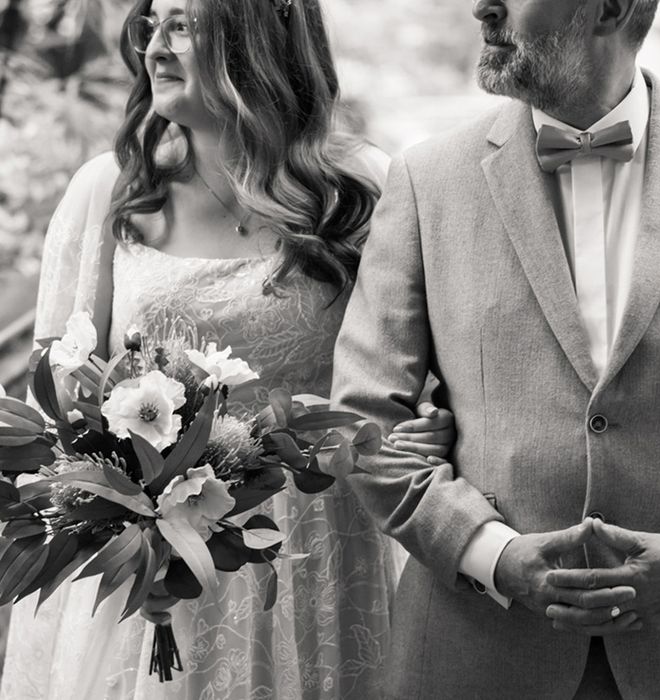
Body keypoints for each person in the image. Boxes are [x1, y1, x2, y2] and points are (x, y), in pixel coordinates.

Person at [0, 1, 455, 698]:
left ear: (255, 33)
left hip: (317, 552)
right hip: (156, 570)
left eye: (181, 24)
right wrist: (125, 541)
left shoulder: (362, 191)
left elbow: (424, 388)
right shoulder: (114, 190)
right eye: (151, 25)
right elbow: (63, 399)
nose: (155, 46)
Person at [332, 0, 660, 697]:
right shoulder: (425, 180)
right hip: (473, 657)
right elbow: (358, 423)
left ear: (611, 8)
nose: (482, 7)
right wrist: (497, 557)